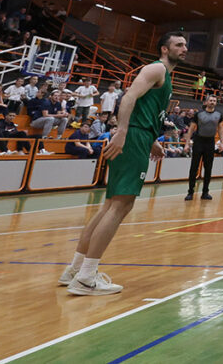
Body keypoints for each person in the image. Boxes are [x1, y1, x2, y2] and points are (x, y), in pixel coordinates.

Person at [58, 30, 186, 296]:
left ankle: (75, 269)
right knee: (121, 206)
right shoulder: (156, 69)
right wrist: (123, 132)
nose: (184, 49)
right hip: (133, 138)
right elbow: (128, 98)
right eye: (179, 44)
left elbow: (145, 109)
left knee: (110, 206)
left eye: (185, 45)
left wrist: (151, 139)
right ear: (165, 49)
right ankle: (86, 277)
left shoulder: (164, 75)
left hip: (140, 137)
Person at [185, 95, 223, 201]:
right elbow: (191, 129)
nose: (212, 102)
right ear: (206, 102)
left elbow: (220, 128)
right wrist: (187, 144)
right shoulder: (199, 114)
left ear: (216, 103)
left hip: (210, 143)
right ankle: (190, 192)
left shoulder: (219, 115)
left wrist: (222, 143)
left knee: (208, 168)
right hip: (199, 141)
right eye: (210, 100)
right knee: (194, 168)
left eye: (214, 101)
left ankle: (205, 192)